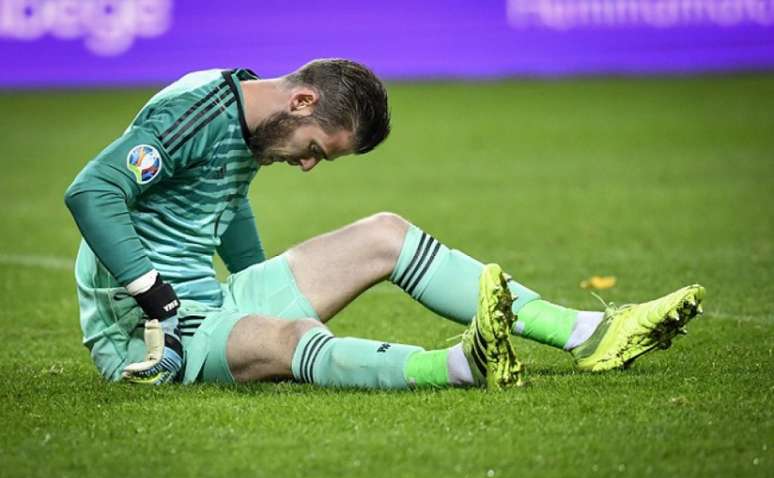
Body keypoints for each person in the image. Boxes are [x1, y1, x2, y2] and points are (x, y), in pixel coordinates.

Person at [64, 58, 704, 389]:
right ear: (302, 100)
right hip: (151, 334)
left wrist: (256, 278)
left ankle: (589, 332)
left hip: (204, 302)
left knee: (385, 232)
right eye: (316, 148)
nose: (310, 166)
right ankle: (458, 367)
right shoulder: (197, 112)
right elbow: (92, 192)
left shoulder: (249, 117)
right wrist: (152, 292)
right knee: (290, 335)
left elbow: (223, 204)